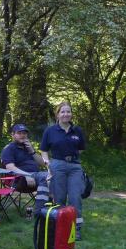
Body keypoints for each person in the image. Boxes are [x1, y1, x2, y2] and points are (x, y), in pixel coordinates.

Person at [39, 102, 87, 240]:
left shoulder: (77, 130)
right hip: (57, 165)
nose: (66, 114)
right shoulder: (50, 131)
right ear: (58, 114)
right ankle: (60, 226)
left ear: (71, 114)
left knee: (75, 197)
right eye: (63, 112)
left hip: (75, 166)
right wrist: (47, 161)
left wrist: (71, 157)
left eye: (68, 111)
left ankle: (75, 229)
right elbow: (43, 150)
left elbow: (81, 149)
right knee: (59, 198)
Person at [0, 123, 50, 215]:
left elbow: (43, 164)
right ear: (13, 135)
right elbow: (10, 167)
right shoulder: (9, 149)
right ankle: (40, 212)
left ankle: (50, 209)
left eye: (24, 133)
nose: (22, 135)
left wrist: (32, 151)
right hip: (19, 179)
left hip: (35, 177)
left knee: (53, 175)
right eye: (19, 133)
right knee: (47, 177)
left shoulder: (28, 148)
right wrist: (26, 175)